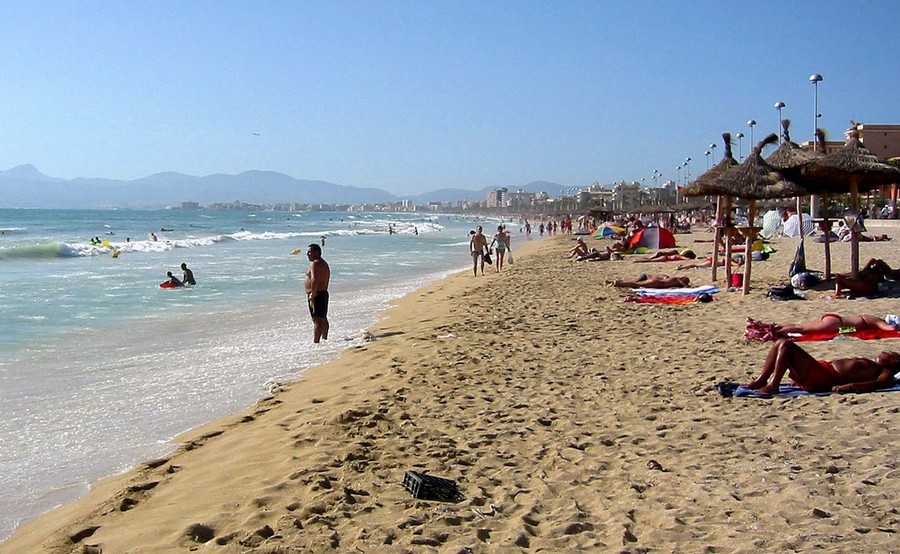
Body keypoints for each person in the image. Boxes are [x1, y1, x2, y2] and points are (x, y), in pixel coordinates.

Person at [744, 339, 899, 394]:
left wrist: (850, 386)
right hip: (822, 370)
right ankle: (761, 380)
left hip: (826, 377)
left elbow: (877, 384)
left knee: (786, 345)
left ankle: (773, 385)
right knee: (779, 342)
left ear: (894, 362)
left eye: (889, 353)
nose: (884, 352)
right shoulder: (873, 365)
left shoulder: (885, 372)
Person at [748, 313, 899, 340]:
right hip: (836, 323)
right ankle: (772, 332)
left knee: (799, 326)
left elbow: (851, 330)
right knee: (802, 330)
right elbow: (890, 329)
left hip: (835, 320)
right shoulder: (876, 320)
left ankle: (765, 326)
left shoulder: (867, 319)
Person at [305, 243, 331, 343]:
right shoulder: (323, 263)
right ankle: (324, 339)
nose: (307, 254)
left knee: (317, 319)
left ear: (316, 252)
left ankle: (316, 342)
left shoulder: (315, 263)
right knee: (322, 318)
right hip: (322, 293)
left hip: (317, 294)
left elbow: (314, 280)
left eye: (309, 252)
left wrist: (313, 294)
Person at [608, 274, 690, 288]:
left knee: (635, 283)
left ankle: (617, 282)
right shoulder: (677, 279)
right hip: (656, 283)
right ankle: (618, 283)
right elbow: (681, 281)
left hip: (656, 282)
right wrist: (687, 286)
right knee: (636, 284)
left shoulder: (673, 281)